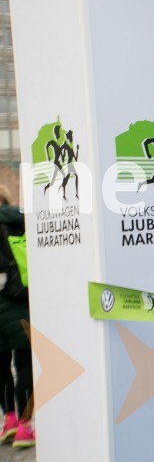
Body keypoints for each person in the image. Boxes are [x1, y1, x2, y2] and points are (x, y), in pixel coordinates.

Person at [0, 186, 34, 449]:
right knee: (24, 364)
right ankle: (25, 426)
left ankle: (9, 421)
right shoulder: (22, 222)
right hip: (22, 299)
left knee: (2, 368)